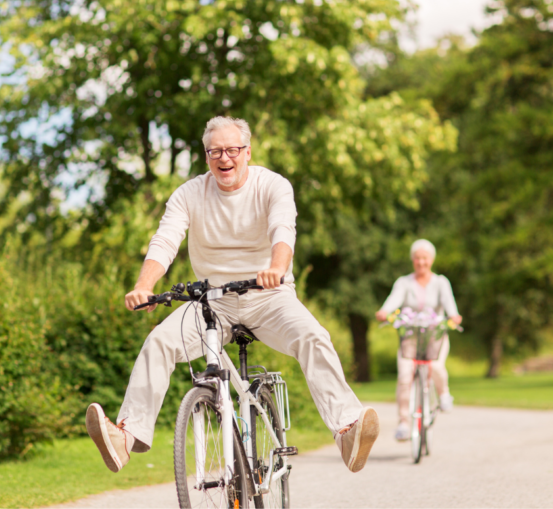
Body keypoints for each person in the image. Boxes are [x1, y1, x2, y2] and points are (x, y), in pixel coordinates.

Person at [85, 116, 380, 474]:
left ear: (247, 152)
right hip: (212, 302)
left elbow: (283, 230)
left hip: (269, 295)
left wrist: (276, 267)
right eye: (215, 152)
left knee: (313, 336)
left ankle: (347, 430)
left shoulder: (272, 185)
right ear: (206, 156)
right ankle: (125, 437)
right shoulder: (189, 193)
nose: (224, 158)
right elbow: (165, 240)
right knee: (159, 342)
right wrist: (143, 285)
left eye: (232, 150)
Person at [374, 239, 462, 442]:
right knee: (405, 376)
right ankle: (403, 423)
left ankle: (444, 394)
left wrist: (454, 316)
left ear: (431, 260)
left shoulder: (441, 282)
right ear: (413, 260)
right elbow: (393, 300)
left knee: (436, 366)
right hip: (410, 337)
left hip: (435, 336)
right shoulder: (404, 282)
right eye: (417, 258)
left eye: (425, 258)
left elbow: (451, 307)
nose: (421, 262)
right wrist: (385, 311)